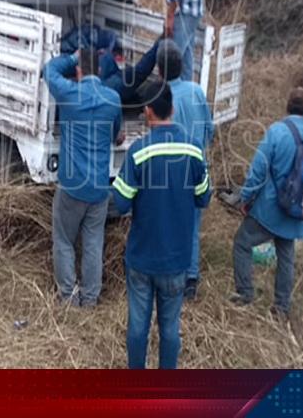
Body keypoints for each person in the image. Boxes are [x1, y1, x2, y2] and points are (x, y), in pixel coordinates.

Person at [113, 81, 211, 369]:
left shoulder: (139, 152)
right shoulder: (194, 151)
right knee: (170, 329)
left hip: (142, 259)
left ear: (147, 112)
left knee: (138, 328)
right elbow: (204, 198)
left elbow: (120, 202)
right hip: (177, 260)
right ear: (174, 108)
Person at [232, 88, 303, 319]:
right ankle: (282, 307)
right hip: (299, 210)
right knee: (286, 254)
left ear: (288, 106)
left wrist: (243, 198)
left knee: (242, 243)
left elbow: (258, 171)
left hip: (270, 208)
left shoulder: (276, 132)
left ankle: (245, 294)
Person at [44, 48, 123, 307]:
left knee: (64, 240)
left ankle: (68, 297)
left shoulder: (69, 94)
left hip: (71, 186)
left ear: (79, 71)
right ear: (99, 70)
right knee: (93, 243)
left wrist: (71, 57)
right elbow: (116, 135)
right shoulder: (112, 99)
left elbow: (49, 70)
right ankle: (90, 299)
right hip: (100, 188)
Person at [155, 40, 214, 301]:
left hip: (172, 174)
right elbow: (210, 130)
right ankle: (190, 280)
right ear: (182, 67)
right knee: (191, 225)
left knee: (167, 222)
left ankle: (169, 275)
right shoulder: (197, 92)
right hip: (197, 170)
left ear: (159, 70)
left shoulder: (162, 99)